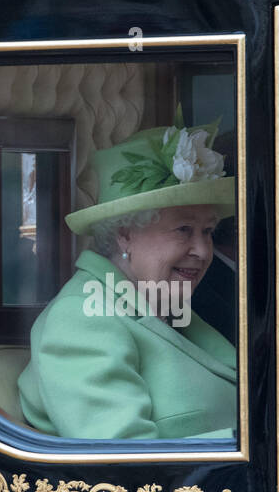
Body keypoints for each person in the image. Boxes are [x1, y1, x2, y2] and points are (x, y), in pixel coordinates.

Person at [17, 122, 238, 440]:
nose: (203, 251)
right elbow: (124, 461)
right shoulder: (81, 319)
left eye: (207, 231)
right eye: (183, 230)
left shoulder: (167, 308)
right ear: (125, 235)